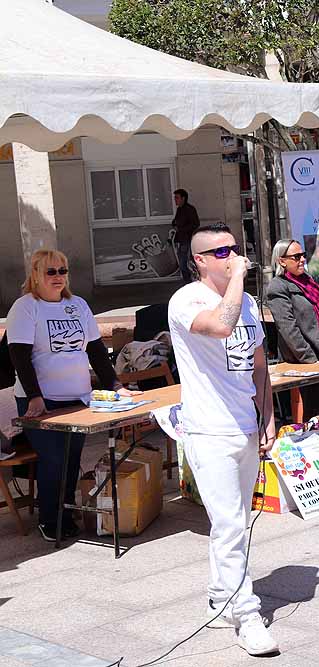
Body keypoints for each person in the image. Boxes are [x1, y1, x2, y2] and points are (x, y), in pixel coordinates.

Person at [167, 223, 277, 655]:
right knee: (231, 523)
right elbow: (220, 327)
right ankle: (247, 616)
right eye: (219, 252)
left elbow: (259, 362)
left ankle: (220, 596)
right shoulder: (186, 299)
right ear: (199, 260)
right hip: (208, 429)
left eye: (234, 249)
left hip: (244, 424)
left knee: (233, 520)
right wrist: (236, 281)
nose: (230, 256)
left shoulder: (248, 301)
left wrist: (267, 415)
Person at [7, 249, 136, 542]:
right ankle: (50, 519)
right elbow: (20, 357)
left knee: (72, 457)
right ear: (36, 275)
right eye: (50, 272)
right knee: (53, 459)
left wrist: (115, 385)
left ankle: (66, 513)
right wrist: (35, 397)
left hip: (77, 397)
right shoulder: (26, 307)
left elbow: (96, 351)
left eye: (62, 271)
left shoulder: (77, 305)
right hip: (41, 399)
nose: (57, 277)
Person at [265, 238, 319, 421]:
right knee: (313, 409)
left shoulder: (309, 281)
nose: (302, 259)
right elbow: (288, 329)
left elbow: (318, 314)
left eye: (303, 255)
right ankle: (315, 447)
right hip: (307, 361)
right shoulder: (278, 286)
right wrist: (310, 360)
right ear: (281, 261)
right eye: (296, 256)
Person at [172, 188, 201, 283]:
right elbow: (176, 221)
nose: (175, 200)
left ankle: (190, 282)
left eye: (177, 198)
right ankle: (188, 282)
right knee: (182, 263)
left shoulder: (189, 209)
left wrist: (182, 229)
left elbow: (195, 224)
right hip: (181, 240)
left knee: (185, 264)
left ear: (183, 198)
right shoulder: (180, 209)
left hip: (187, 239)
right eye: (175, 198)